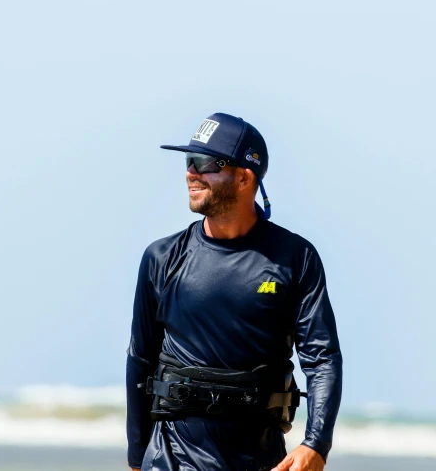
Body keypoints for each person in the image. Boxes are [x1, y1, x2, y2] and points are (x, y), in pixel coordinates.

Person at [125, 113, 343, 471]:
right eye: (187, 161)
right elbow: (140, 357)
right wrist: (137, 457)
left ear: (244, 176)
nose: (190, 173)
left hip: (259, 458)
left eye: (203, 163)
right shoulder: (162, 258)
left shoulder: (294, 258)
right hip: (171, 457)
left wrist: (316, 444)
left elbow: (322, 360)